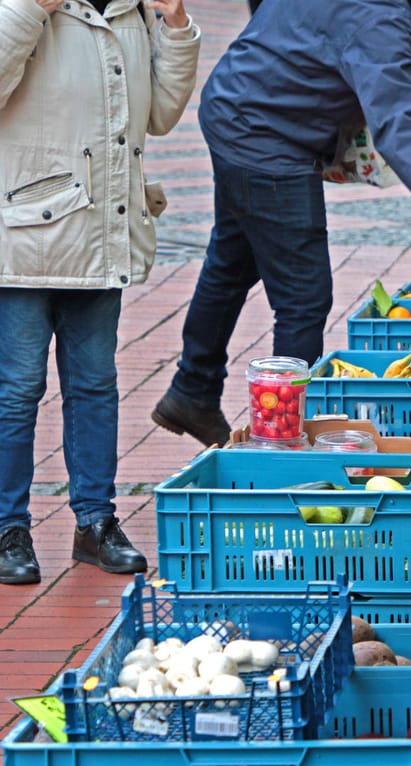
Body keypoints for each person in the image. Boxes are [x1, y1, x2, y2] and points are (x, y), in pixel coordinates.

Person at [151, 0, 411, 450]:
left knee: (231, 263)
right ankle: (282, 439)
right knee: (303, 299)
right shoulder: (381, 17)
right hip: (268, 139)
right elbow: (396, 118)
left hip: (235, 106)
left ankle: (192, 390)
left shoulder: (379, 10)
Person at [0, 0, 201, 585]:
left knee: (95, 385)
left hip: (101, 230)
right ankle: (8, 529)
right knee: (16, 390)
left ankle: (96, 523)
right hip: (22, 234)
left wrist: (177, 23)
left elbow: (159, 114)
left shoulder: (130, 11)